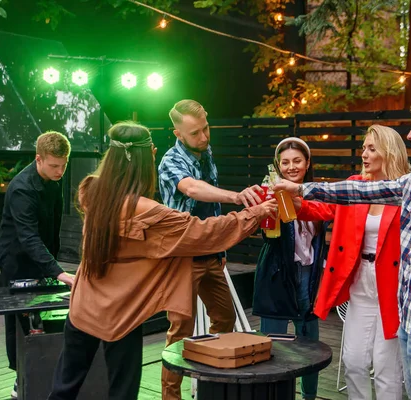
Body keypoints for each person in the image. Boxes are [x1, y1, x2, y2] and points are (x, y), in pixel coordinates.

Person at [275, 97, 411, 400]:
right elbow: (360, 190)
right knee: (376, 373)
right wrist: (300, 189)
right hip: (409, 313)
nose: (410, 134)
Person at [48, 121, 276, 400]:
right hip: (122, 315)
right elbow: (205, 232)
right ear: (151, 155)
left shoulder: (92, 192)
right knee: (122, 393)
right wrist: (256, 212)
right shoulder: (150, 214)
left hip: (83, 305)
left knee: (63, 389)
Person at [294, 125, 411, 400]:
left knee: (386, 368)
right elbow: (322, 208)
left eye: (372, 149)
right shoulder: (355, 184)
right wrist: (294, 203)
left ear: (389, 152)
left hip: (393, 289)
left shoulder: (407, 188)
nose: (364, 155)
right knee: (354, 361)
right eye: (363, 149)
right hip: (360, 285)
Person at [158, 100, 265, 399]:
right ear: (177, 133)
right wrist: (236, 197)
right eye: (195, 133)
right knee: (180, 330)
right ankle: (171, 396)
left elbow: (209, 205)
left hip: (211, 254)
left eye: (206, 128)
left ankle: (214, 386)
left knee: (225, 318)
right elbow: (192, 189)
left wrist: (221, 249)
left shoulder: (205, 151)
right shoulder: (170, 161)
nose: (204, 137)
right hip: (182, 257)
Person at [0, 131, 75, 399]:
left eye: (64, 165)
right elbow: (28, 237)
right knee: (20, 320)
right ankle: (20, 379)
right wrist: (59, 271)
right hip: (16, 261)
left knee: (45, 315)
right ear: (38, 159)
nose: (60, 171)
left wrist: (52, 264)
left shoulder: (54, 179)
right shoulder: (21, 188)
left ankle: (46, 372)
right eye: (54, 165)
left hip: (41, 258)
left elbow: (52, 227)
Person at [252, 137, 328, 400]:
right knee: (272, 348)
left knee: (310, 347)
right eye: (285, 162)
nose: (291, 167)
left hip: (309, 278)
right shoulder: (271, 193)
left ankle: (309, 396)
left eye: (297, 161)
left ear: (307, 163)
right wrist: (263, 206)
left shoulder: (319, 194)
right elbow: (266, 235)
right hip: (276, 277)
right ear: (278, 166)